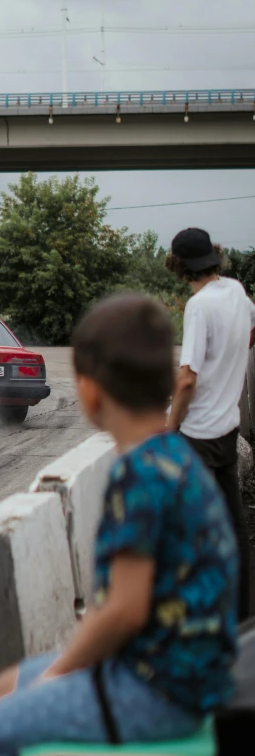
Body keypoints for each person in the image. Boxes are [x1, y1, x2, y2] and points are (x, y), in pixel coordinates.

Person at [0, 294, 238, 756]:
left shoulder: (136, 475)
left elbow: (124, 610)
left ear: (90, 391)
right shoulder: (177, 459)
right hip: (192, 675)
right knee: (6, 684)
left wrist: (57, 677)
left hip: (156, 691)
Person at [166, 227, 255, 621]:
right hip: (227, 431)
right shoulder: (237, 291)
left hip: (197, 437)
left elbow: (187, 379)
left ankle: (198, 623)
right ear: (214, 257)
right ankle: (243, 620)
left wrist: (170, 430)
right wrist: (226, 368)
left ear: (181, 266)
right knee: (236, 533)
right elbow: (248, 336)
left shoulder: (198, 306)